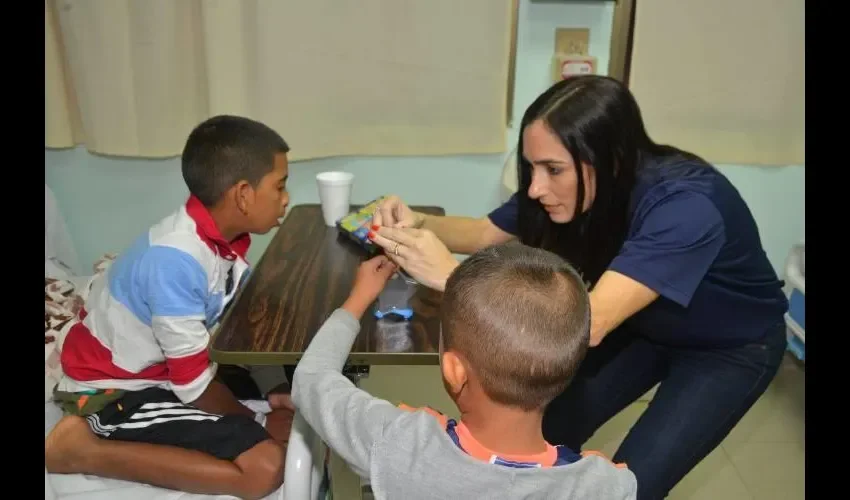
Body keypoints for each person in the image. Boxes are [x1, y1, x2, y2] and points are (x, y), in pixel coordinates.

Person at [366, 75, 789, 499]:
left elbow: (587, 326)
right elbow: (482, 234)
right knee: (539, 428)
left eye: (553, 170)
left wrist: (451, 277)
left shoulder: (687, 206)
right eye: (532, 167)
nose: (535, 188)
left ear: (612, 158)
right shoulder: (577, 184)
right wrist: (418, 221)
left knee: (633, 485)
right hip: (646, 325)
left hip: (729, 349)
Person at [45, 115, 297, 499]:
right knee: (265, 467)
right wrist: (258, 421)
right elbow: (192, 384)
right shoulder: (175, 260)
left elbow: (243, 326)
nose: (285, 198)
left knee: (305, 389)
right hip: (114, 390)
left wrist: (275, 388)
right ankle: (78, 449)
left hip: (166, 371)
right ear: (243, 195)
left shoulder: (224, 242)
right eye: (279, 186)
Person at [291, 244, 638, 499]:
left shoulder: (400, 441)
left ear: (454, 370)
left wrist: (359, 298)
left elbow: (311, 378)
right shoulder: (605, 486)